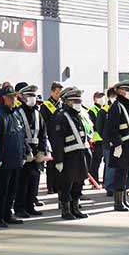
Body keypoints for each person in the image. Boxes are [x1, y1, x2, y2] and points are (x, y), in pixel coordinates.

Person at [48, 87, 92, 220]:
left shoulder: (77, 115)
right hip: (68, 157)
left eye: (79, 100)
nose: (79, 103)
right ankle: (66, 210)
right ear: (67, 102)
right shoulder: (61, 116)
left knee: (78, 183)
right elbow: (57, 140)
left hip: (80, 155)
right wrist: (59, 160)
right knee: (67, 185)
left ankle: (75, 208)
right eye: (75, 101)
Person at [103, 80, 129, 213]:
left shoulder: (127, 104)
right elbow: (111, 129)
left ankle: (124, 200)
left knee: (128, 173)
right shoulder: (116, 106)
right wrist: (117, 144)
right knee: (120, 174)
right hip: (122, 145)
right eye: (127, 89)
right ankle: (118, 202)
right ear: (119, 91)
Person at [0, 84, 26, 226]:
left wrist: (23, 154)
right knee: (1, 190)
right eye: (9, 97)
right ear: (2, 98)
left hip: (15, 158)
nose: (13, 99)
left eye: (14, 97)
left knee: (12, 189)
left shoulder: (15, 113)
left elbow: (20, 135)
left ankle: (7, 214)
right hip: (4, 160)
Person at [15, 84, 47, 218]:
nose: (32, 98)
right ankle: (20, 208)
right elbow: (18, 134)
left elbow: (43, 133)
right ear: (22, 98)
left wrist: (42, 151)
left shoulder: (37, 113)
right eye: (29, 96)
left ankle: (30, 205)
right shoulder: (17, 113)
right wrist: (26, 152)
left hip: (36, 151)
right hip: (23, 152)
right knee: (22, 182)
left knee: (33, 181)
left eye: (34, 96)